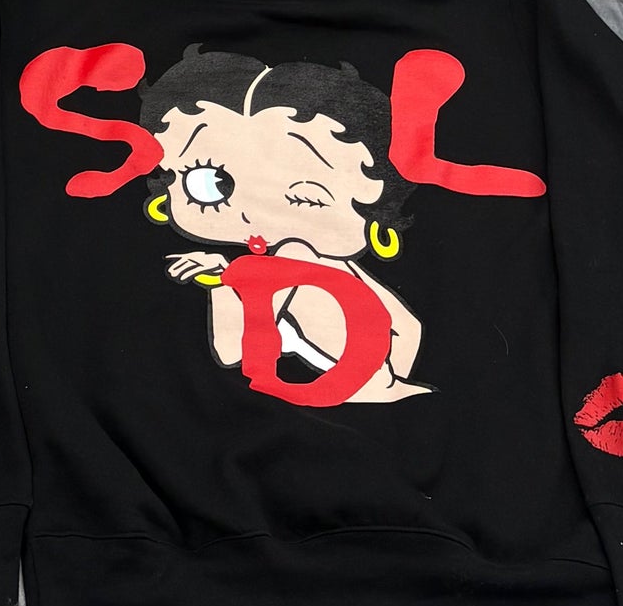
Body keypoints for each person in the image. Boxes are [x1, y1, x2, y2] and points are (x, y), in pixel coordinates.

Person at [139, 46, 429, 405]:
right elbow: (409, 334)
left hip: (374, 391)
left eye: (306, 197)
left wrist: (225, 280)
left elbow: (233, 349)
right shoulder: (323, 266)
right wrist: (229, 277)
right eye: (209, 184)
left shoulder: (298, 256)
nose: (250, 216)